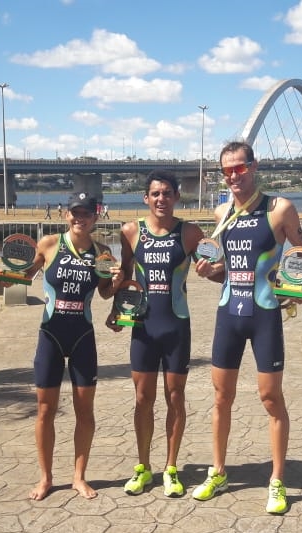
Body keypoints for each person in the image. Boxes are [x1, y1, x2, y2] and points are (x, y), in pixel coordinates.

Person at [192, 141, 302, 515]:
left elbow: (301, 253)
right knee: (220, 397)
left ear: (254, 167)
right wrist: (210, 272)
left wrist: (294, 289)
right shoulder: (222, 211)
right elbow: (226, 270)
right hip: (229, 313)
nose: (233, 176)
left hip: (263, 315)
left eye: (239, 169)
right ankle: (219, 471)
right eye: (226, 171)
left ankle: (277, 480)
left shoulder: (279, 209)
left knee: (270, 398)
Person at [3, 191, 122, 501]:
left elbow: (107, 293)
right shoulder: (48, 245)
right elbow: (23, 276)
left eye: (87, 213)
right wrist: (8, 274)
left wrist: (119, 279)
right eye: (75, 212)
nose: (80, 218)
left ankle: (79, 477)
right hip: (50, 336)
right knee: (45, 410)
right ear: (65, 215)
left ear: (97, 215)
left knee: (86, 412)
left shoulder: (103, 253)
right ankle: (45, 478)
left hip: (83, 336)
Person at [107, 170, 203, 497]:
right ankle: (144, 467)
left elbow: (218, 266)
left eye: (167, 193)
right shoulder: (130, 232)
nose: (161, 199)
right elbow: (127, 277)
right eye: (155, 193)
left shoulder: (190, 233)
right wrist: (117, 311)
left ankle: (171, 469)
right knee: (142, 399)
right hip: (144, 329)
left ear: (177, 196)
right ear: (146, 198)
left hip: (176, 326)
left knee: (175, 398)